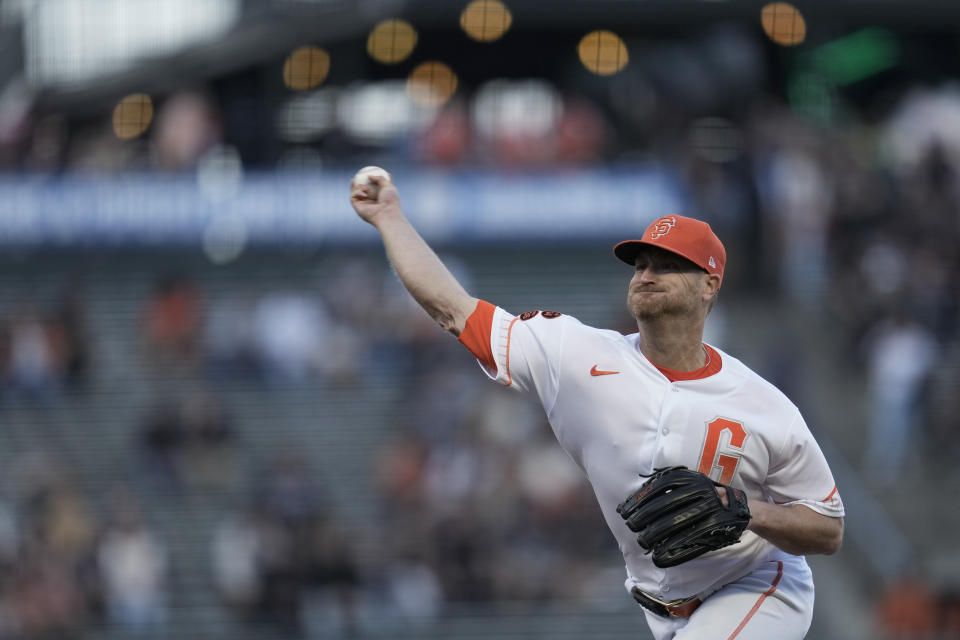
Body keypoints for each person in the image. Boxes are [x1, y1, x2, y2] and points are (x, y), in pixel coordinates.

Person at [349, 173, 845, 640]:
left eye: (667, 264)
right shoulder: (574, 353)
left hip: (759, 584)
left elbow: (828, 528)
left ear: (709, 285)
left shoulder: (763, 404)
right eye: (641, 264)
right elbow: (453, 308)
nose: (647, 274)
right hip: (661, 606)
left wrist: (744, 509)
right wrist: (390, 217)